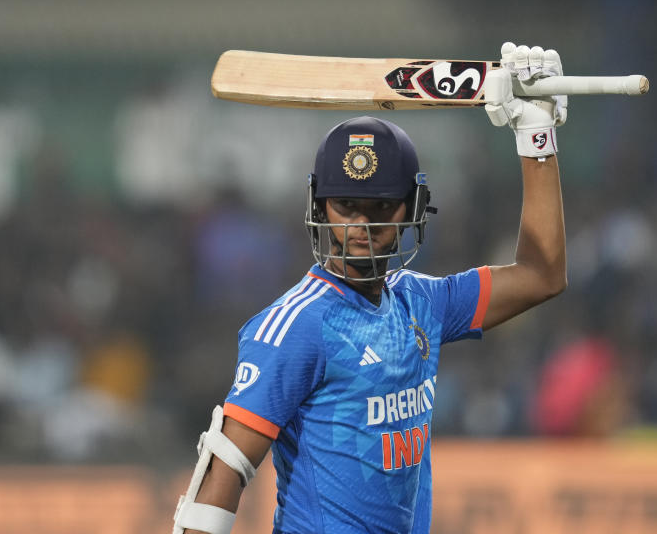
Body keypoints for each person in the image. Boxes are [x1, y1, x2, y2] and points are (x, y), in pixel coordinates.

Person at [173, 42, 569, 534]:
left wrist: (536, 139)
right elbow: (226, 462)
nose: (362, 224)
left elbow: (542, 274)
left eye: (381, 207)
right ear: (320, 209)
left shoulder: (424, 302)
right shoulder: (297, 325)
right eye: (346, 206)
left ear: (413, 209)